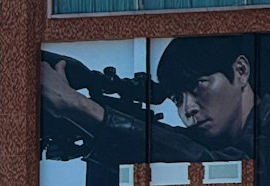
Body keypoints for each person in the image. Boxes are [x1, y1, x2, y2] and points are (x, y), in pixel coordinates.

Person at [41, 34, 261, 164]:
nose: (188, 109)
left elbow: (223, 168)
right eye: (177, 99)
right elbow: (166, 142)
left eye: (198, 85)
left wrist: (79, 105)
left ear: (241, 71)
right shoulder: (213, 138)